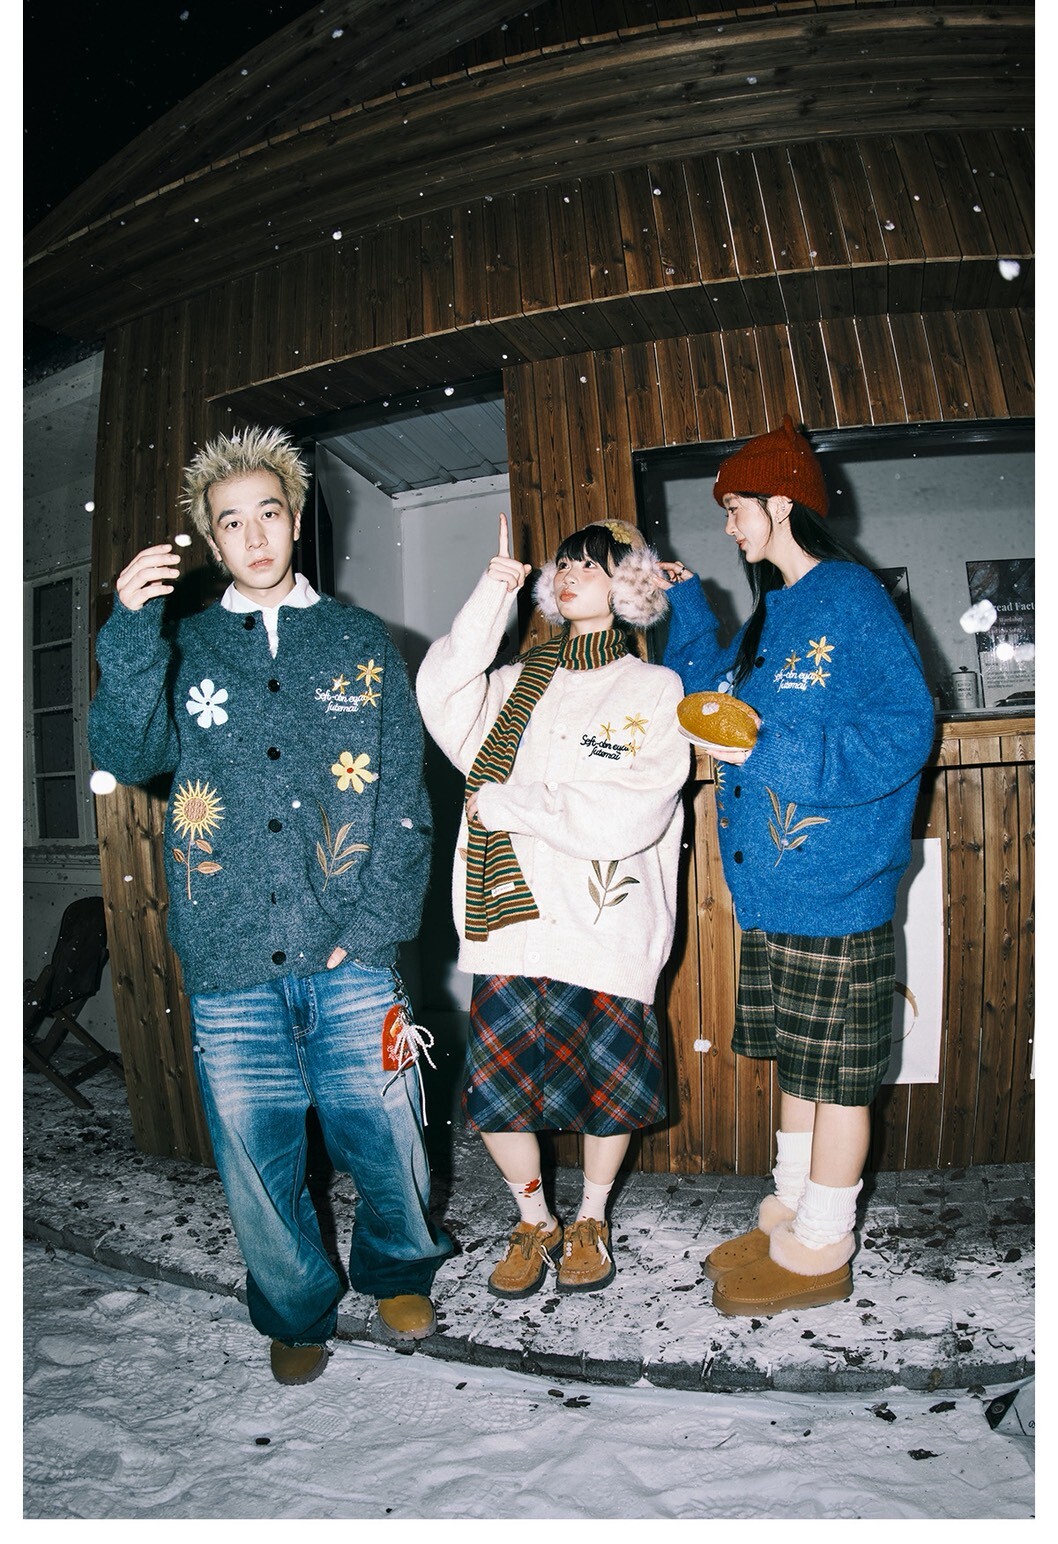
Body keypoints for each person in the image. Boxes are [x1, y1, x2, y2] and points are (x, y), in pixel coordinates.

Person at [88, 426, 452, 1385]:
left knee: (389, 1137)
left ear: (296, 521)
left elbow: (404, 803)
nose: (253, 536)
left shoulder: (361, 643)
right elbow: (128, 754)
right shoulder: (184, 645)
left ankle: (398, 1266)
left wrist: (372, 931)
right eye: (230, 522)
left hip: (354, 955)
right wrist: (130, 629)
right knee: (257, 1160)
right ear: (212, 541)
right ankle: (294, 1309)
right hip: (230, 956)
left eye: (268, 513)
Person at [658, 415, 935, 1317]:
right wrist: (687, 606)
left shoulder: (848, 596)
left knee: (839, 1082)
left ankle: (824, 1242)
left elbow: (904, 730)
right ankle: (789, 1209)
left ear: (781, 505)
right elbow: (705, 696)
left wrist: (768, 748)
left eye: (735, 508)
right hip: (777, 892)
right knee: (802, 1069)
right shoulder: (774, 612)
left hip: (837, 888)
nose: (728, 526)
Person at [416, 513, 689, 1298]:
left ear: (630, 585)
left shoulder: (654, 688)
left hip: (608, 927)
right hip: (514, 925)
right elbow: (439, 691)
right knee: (500, 1093)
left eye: (592, 565)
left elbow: (635, 808)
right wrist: (492, 592)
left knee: (609, 1093)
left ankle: (592, 1220)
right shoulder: (513, 683)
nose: (569, 574)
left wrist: (517, 805)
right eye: (563, 564)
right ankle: (535, 1219)